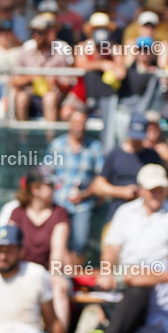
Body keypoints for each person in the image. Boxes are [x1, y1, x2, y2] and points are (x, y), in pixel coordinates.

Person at [8, 167, 72, 329]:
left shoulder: (60, 213)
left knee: (59, 287)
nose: (54, 189)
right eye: (49, 185)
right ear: (35, 189)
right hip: (22, 271)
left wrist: (55, 275)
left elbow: (58, 250)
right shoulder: (17, 213)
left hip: (47, 271)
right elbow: (9, 249)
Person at [46, 108, 103, 256]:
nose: (79, 126)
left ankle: (74, 275)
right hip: (59, 202)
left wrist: (86, 194)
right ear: (69, 123)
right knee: (58, 243)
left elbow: (100, 177)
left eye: (82, 123)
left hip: (83, 204)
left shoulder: (94, 147)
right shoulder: (57, 145)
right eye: (76, 122)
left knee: (79, 244)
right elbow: (46, 173)